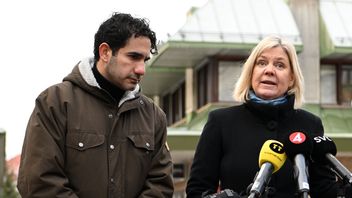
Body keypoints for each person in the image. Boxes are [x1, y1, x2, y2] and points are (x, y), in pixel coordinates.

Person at [17, 12, 174, 198]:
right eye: (133, 57)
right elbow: (38, 182)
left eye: (144, 60)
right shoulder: (55, 103)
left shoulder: (154, 116)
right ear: (105, 52)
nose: (141, 69)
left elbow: (160, 185)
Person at [186, 35, 351, 198]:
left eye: (280, 65)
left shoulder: (310, 124)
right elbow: (196, 191)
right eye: (262, 63)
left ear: (292, 78)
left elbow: (324, 190)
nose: (269, 70)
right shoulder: (221, 121)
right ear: (251, 73)